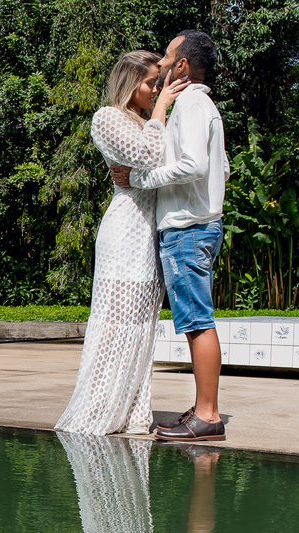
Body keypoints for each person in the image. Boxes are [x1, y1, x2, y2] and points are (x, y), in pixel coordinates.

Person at [56, 51, 189, 435]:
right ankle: (101, 407)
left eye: (157, 84)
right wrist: (163, 108)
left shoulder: (149, 122)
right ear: (130, 83)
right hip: (125, 233)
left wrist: (158, 116)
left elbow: (173, 165)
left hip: (153, 234)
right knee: (117, 324)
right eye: (150, 83)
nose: (156, 90)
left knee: (142, 327)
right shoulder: (107, 118)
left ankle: (133, 409)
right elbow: (149, 154)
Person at [111, 30, 230, 442]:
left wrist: (142, 178)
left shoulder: (193, 103)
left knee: (197, 321)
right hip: (198, 224)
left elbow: (195, 165)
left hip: (188, 229)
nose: (161, 64)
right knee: (195, 319)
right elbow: (222, 168)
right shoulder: (199, 105)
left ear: (181, 65)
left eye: (166, 56)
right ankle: (201, 409)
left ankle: (208, 416)